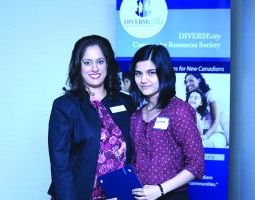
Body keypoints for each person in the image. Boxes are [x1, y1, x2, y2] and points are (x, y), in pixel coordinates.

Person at [47, 35, 136, 200]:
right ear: (78, 66)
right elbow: (60, 165)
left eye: (100, 61)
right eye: (87, 62)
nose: (95, 68)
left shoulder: (127, 102)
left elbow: (136, 154)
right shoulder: (64, 106)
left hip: (119, 195)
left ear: (108, 64)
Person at [129, 44, 204, 199]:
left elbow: (197, 165)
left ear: (164, 73)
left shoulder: (179, 111)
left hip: (171, 196)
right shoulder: (136, 116)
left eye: (151, 73)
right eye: (138, 73)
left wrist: (160, 189)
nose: (143, 80)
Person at [184, 72, 227, 148]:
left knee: (206, 145)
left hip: (214, 133)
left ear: (199, 80)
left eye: (191, 80)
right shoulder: (189, 100)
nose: (188, 84)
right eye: (186, 82)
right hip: (198, 134)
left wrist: (205, 136)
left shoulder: (209, 94)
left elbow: (216, 120)